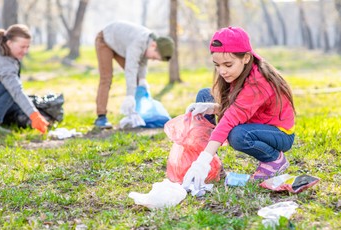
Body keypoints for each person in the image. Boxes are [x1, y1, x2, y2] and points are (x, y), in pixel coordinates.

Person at [182, 26, 295, 190]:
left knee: (238, 135)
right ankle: (213, 166)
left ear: (246, 58)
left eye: (228, 65)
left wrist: (202, 160)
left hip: (278, 133)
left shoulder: (258, 81)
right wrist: (211, 108)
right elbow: (237, 107)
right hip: (254, 120)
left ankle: (274, 159)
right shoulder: (237, 73)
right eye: (217, 65)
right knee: (204, 94)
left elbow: (231, 118)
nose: (222, 71)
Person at [94, 21, 174, 129]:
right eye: (155, 57)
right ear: (154, 45)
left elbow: (143, 63)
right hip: (106, 40)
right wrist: (130, 96)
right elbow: (131, 69)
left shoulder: (149, 43)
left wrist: (142, 80)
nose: (153, 60)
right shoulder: (138, 42)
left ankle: (136, 114)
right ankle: (101, 117)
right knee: (106, 78)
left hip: (120, 46)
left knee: (137, 80)